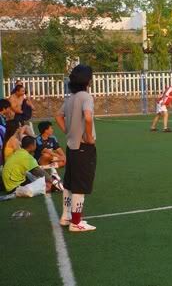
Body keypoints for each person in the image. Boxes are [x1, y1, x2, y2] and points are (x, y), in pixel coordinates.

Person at [55, 64, 98, 232]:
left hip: (71, 146)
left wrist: (67, 130)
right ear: (87, 80)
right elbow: (88, 118)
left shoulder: (71, 98)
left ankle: (66, 216)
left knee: (69, 183)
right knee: (80, 185)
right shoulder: (86, 97)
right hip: (83, 147)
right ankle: (76, 222)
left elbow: (58, 116)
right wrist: (88, 136)